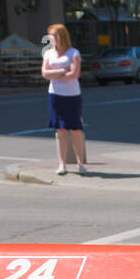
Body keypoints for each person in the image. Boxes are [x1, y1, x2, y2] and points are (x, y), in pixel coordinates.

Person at [41, 23, 85, 175]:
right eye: (50, 35)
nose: (51, 38)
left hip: (72, 96)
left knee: (75, 130)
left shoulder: (73, 53)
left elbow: (74, 74)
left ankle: (81, 164)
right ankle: (62, 164)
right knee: (60, 130)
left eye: (54, 35)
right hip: (55, 95)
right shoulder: (48, 54)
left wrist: (55, 73)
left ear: (61, 36)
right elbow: (45, 73)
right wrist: (62, 70)